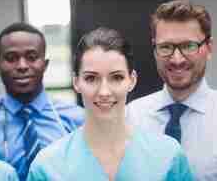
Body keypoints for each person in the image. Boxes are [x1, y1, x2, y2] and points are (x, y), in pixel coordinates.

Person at [27, 27, 194, 181]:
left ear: (132, 80)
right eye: (91, 78)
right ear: (76, 82)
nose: (104, 92)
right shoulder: (48, 165)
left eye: (116, 77)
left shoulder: (168, 156)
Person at [0, 22, 84, 180]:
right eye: (11, 58)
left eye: (31, 57)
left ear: (45, 64)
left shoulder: (78, 120)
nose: (22, 66)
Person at [126, 0, 216, 181]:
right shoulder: (131, 116)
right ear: (154, 49)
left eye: (188, 46)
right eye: (166, 47)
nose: (177, 59)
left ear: (209, 48)